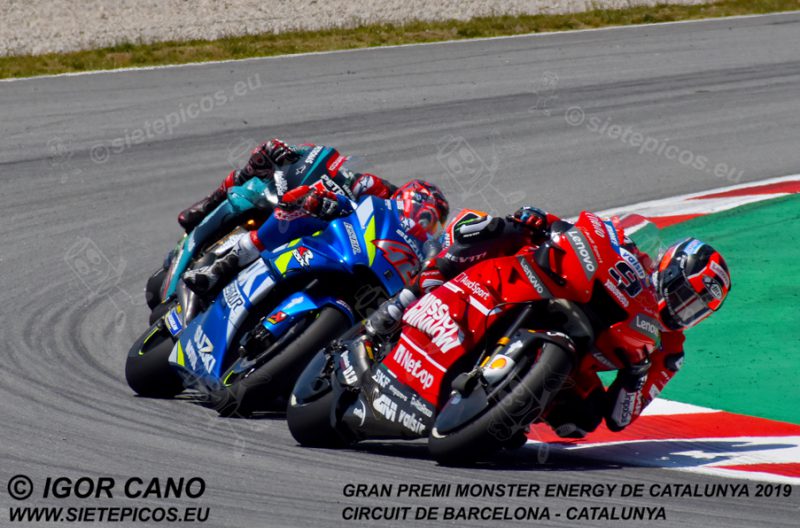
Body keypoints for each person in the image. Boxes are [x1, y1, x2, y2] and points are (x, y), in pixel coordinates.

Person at [365, 206, 731, 437]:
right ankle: (406, 300)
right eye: (683, 297)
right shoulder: (635, 261)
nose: (682, 312)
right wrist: (545, 222)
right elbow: (591, 236)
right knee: (500, 229)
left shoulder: (668, 353)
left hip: (572, 366)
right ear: (667, 271)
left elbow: (621, 418)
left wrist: (635, 376)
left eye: (694, 311)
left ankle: (508, 414)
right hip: (542, 288)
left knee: (582, 420)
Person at [182, 174, 450, 297]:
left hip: (367, 268)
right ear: (411, 196)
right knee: (294, 210)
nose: (428, 225)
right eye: (428, 216)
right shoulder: (379, 190)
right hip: (336, 233)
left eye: (435, 223)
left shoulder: (422, 246)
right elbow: (341, 183)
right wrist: (324, 200)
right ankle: (220, 267)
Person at [178, 139, 399, 232]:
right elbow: (299, 150)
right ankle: (207, 206)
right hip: (278, 195)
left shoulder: (370, 209)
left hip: (305, 224)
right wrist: (278, 149)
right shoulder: (332, 165)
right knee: (257, 163)